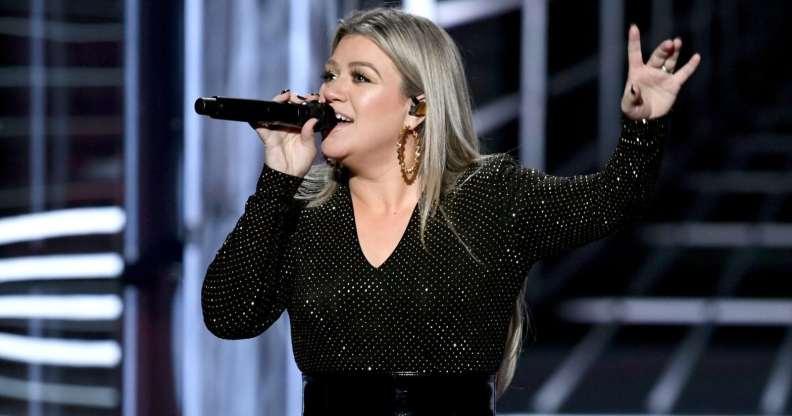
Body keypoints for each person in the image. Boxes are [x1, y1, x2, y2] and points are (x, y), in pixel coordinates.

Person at [201, 7, 700, 415]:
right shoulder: (304, 213)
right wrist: (278, 178)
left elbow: (612, 201)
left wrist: (644, 126)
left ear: (417, 108)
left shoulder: (491, 197)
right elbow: (230, 316)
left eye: (359, 77)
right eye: (330, 74)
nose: (331, 91)